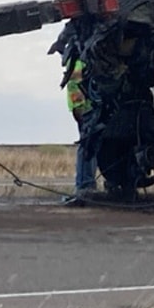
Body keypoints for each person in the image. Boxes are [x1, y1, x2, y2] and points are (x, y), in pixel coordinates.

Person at [62, 58, 97, 206]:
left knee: (90, 146)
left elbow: (74, 84)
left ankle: (86, 186)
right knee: (88, 146)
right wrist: (79, 107)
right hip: (90, 110)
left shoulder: (80, 60)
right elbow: (74, 84)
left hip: (93, 109)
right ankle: (85, 186)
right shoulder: (81, 61)